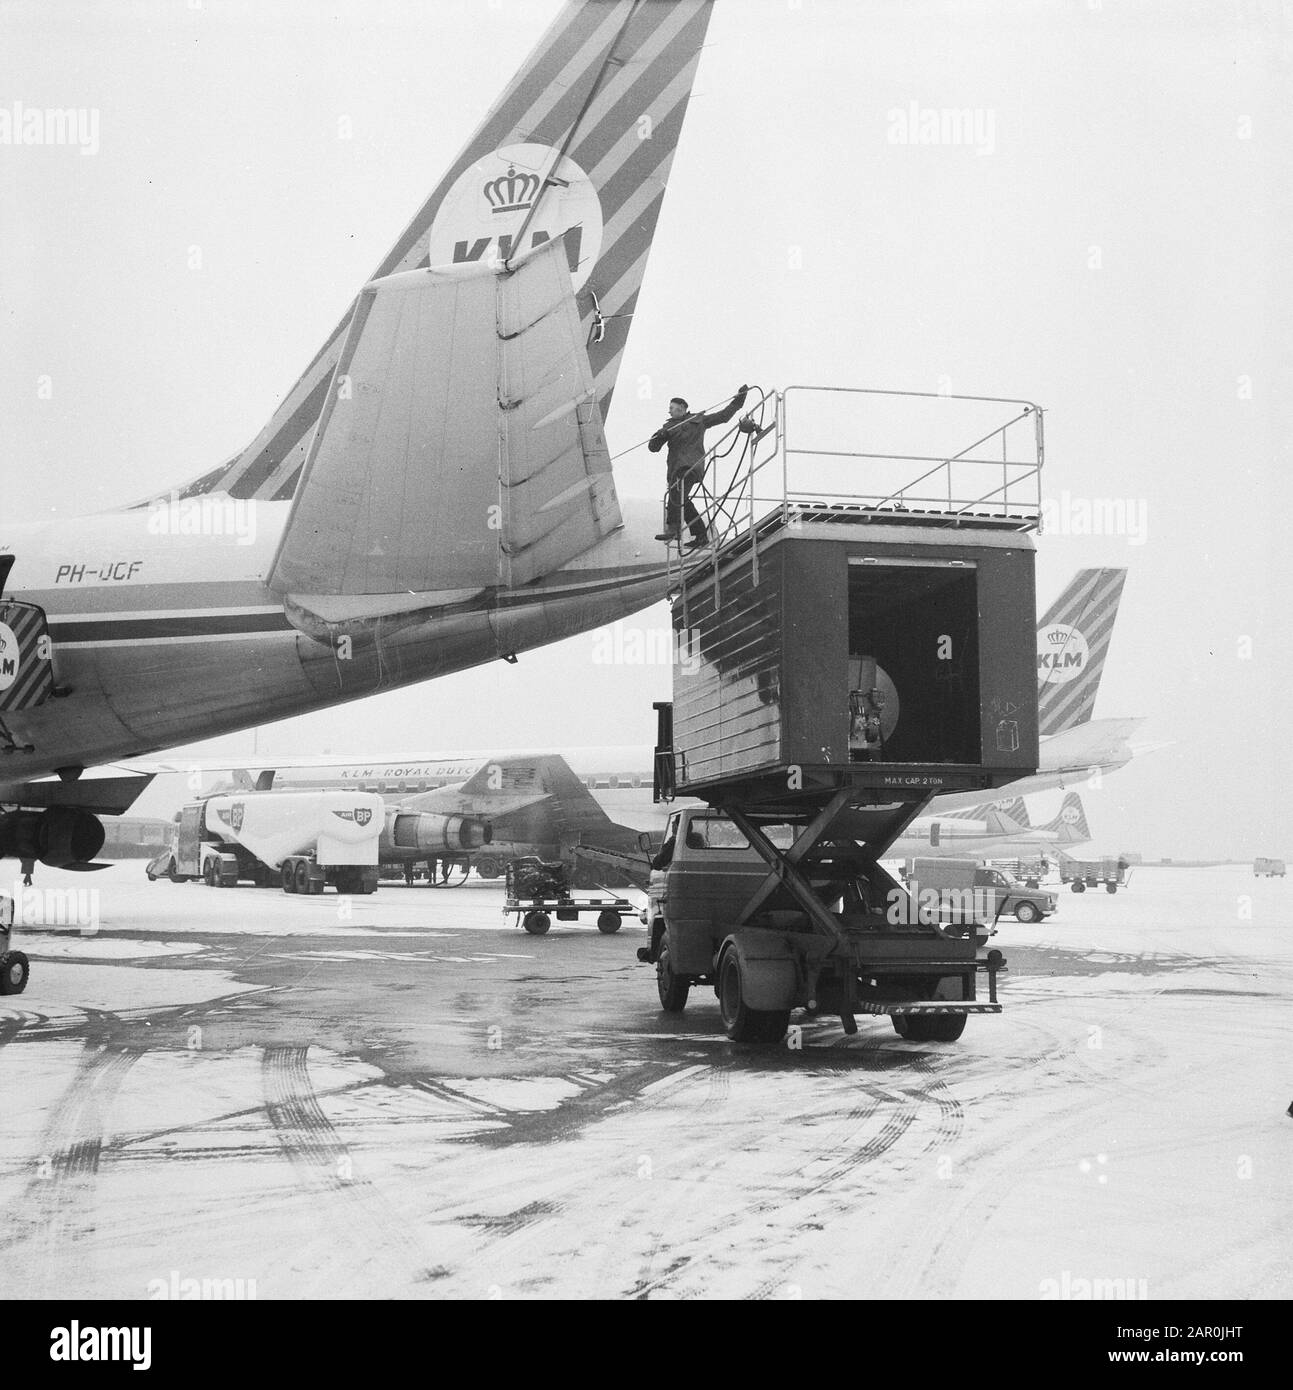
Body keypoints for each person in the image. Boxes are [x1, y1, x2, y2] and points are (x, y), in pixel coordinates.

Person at [648, 385, 749, 546]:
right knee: (682, 499)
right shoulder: (668, 427)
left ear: (682, 408)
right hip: (677, 469)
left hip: (689, 466)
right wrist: (659, 437)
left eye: (672, 408)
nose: (670, 411)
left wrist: (739, 400)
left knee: (676, 494)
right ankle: (701, 535)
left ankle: (674, 530)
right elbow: (653, 448)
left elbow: (723, 416)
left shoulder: (699, 420)